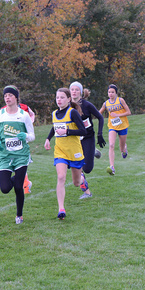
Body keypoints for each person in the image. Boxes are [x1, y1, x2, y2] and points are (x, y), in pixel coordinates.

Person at [0, 85, 35, 224]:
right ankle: (22, 179)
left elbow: (32, 136)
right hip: (5, 155)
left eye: (10, 95)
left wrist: (25, 136)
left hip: (21, 155)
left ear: (16, 97)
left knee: (18, 187)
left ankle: (19, 215)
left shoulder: (24, 115)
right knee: (4, 188)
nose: (7, 98)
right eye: (5, 96)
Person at [44, 88, 87, 219]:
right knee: (61, 177)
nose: (59, 100)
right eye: (57, 97)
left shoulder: (72, 112)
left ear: (68, 99)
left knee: (76, 183)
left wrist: (68, 132)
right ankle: (61, 209)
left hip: (74, 152)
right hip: (60, 151)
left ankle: (82, 179)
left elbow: (83, 131)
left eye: (62, 97)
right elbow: (54, 127)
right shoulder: (54, 113)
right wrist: (48, 138)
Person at [69, 82, 105, 199]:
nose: (74, 91)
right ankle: (87, 192)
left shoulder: (87, 105)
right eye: (72, 89)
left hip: (88, 137)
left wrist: (99, 134)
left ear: (80, 92)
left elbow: (100, 117)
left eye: (76, 90)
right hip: (75, 139)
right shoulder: (67, 106)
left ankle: (92, 151)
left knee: (87, 169)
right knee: (77, 166)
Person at [2, 99, 36, 194]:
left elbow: (32, 114)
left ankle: (26, 184)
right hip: (10, 144)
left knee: (21, 164)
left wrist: (29, 124)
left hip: (22, 142)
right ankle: (26, 183)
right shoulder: (3, 110)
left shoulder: (24, 107)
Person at [98, 84, 131, 176]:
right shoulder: (106, 103)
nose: (111, 94)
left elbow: (129, 112)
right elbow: (99, 113)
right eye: (109, 92)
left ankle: (124, 149)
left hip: (123, 126)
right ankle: (112, 167)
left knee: (121, 148)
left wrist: (118, 115)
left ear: (116, 93)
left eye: (112, 92)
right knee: (111, 145)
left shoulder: (121, 100)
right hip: (112, 126)